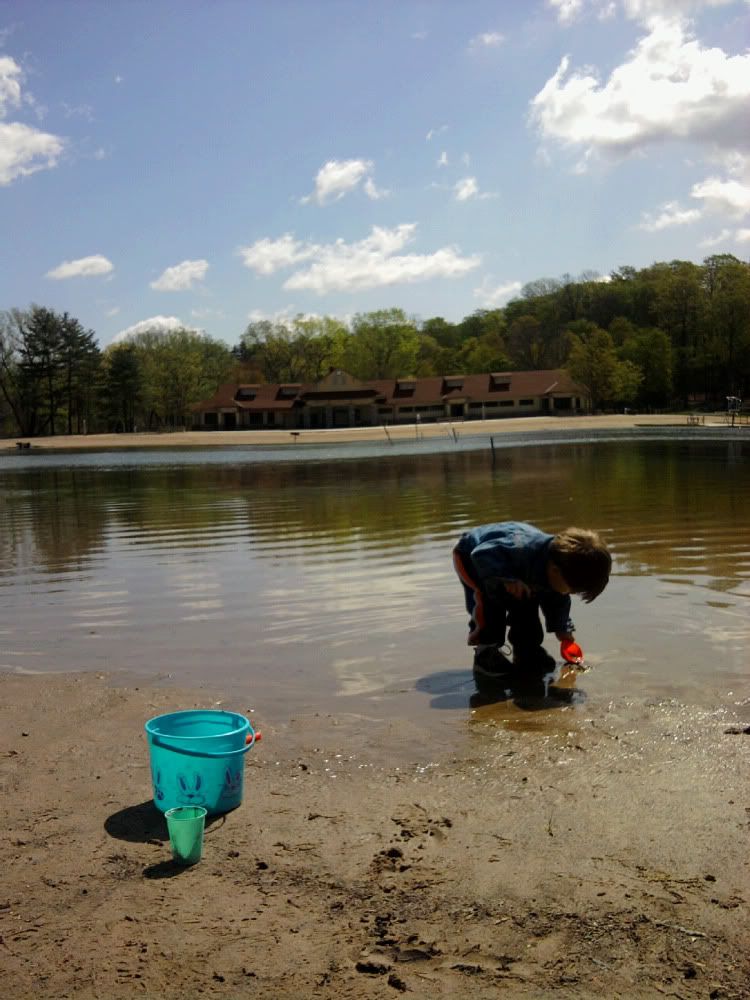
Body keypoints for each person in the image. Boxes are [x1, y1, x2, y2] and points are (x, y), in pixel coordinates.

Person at [453, 522, 611, 686]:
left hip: (517, 570)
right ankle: (486, 653)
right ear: (554, 570)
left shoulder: (561, 567)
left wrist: (563, 630)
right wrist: (506, 578)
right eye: (571, 590)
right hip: (473, 557)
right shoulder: (522, 549)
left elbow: (557, 602)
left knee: (527, 603)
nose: (569, 594)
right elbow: (480, 553)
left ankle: (527, 651)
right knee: (489, 606)